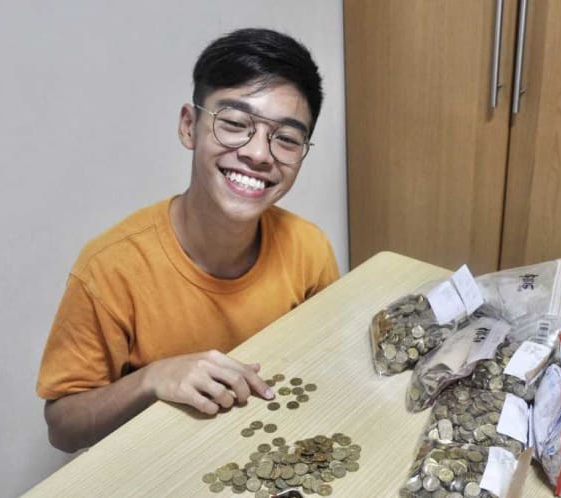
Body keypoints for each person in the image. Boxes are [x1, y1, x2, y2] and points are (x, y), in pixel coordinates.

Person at [37, 28, 340, 453]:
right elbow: (63, 428)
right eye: (235, 124)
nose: (258, 153)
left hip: (273, 453)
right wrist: (152, 379)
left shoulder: (309, 248)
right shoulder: (109, 267)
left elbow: (326, 360)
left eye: (286, 139)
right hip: (157, 470)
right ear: (189, 126)